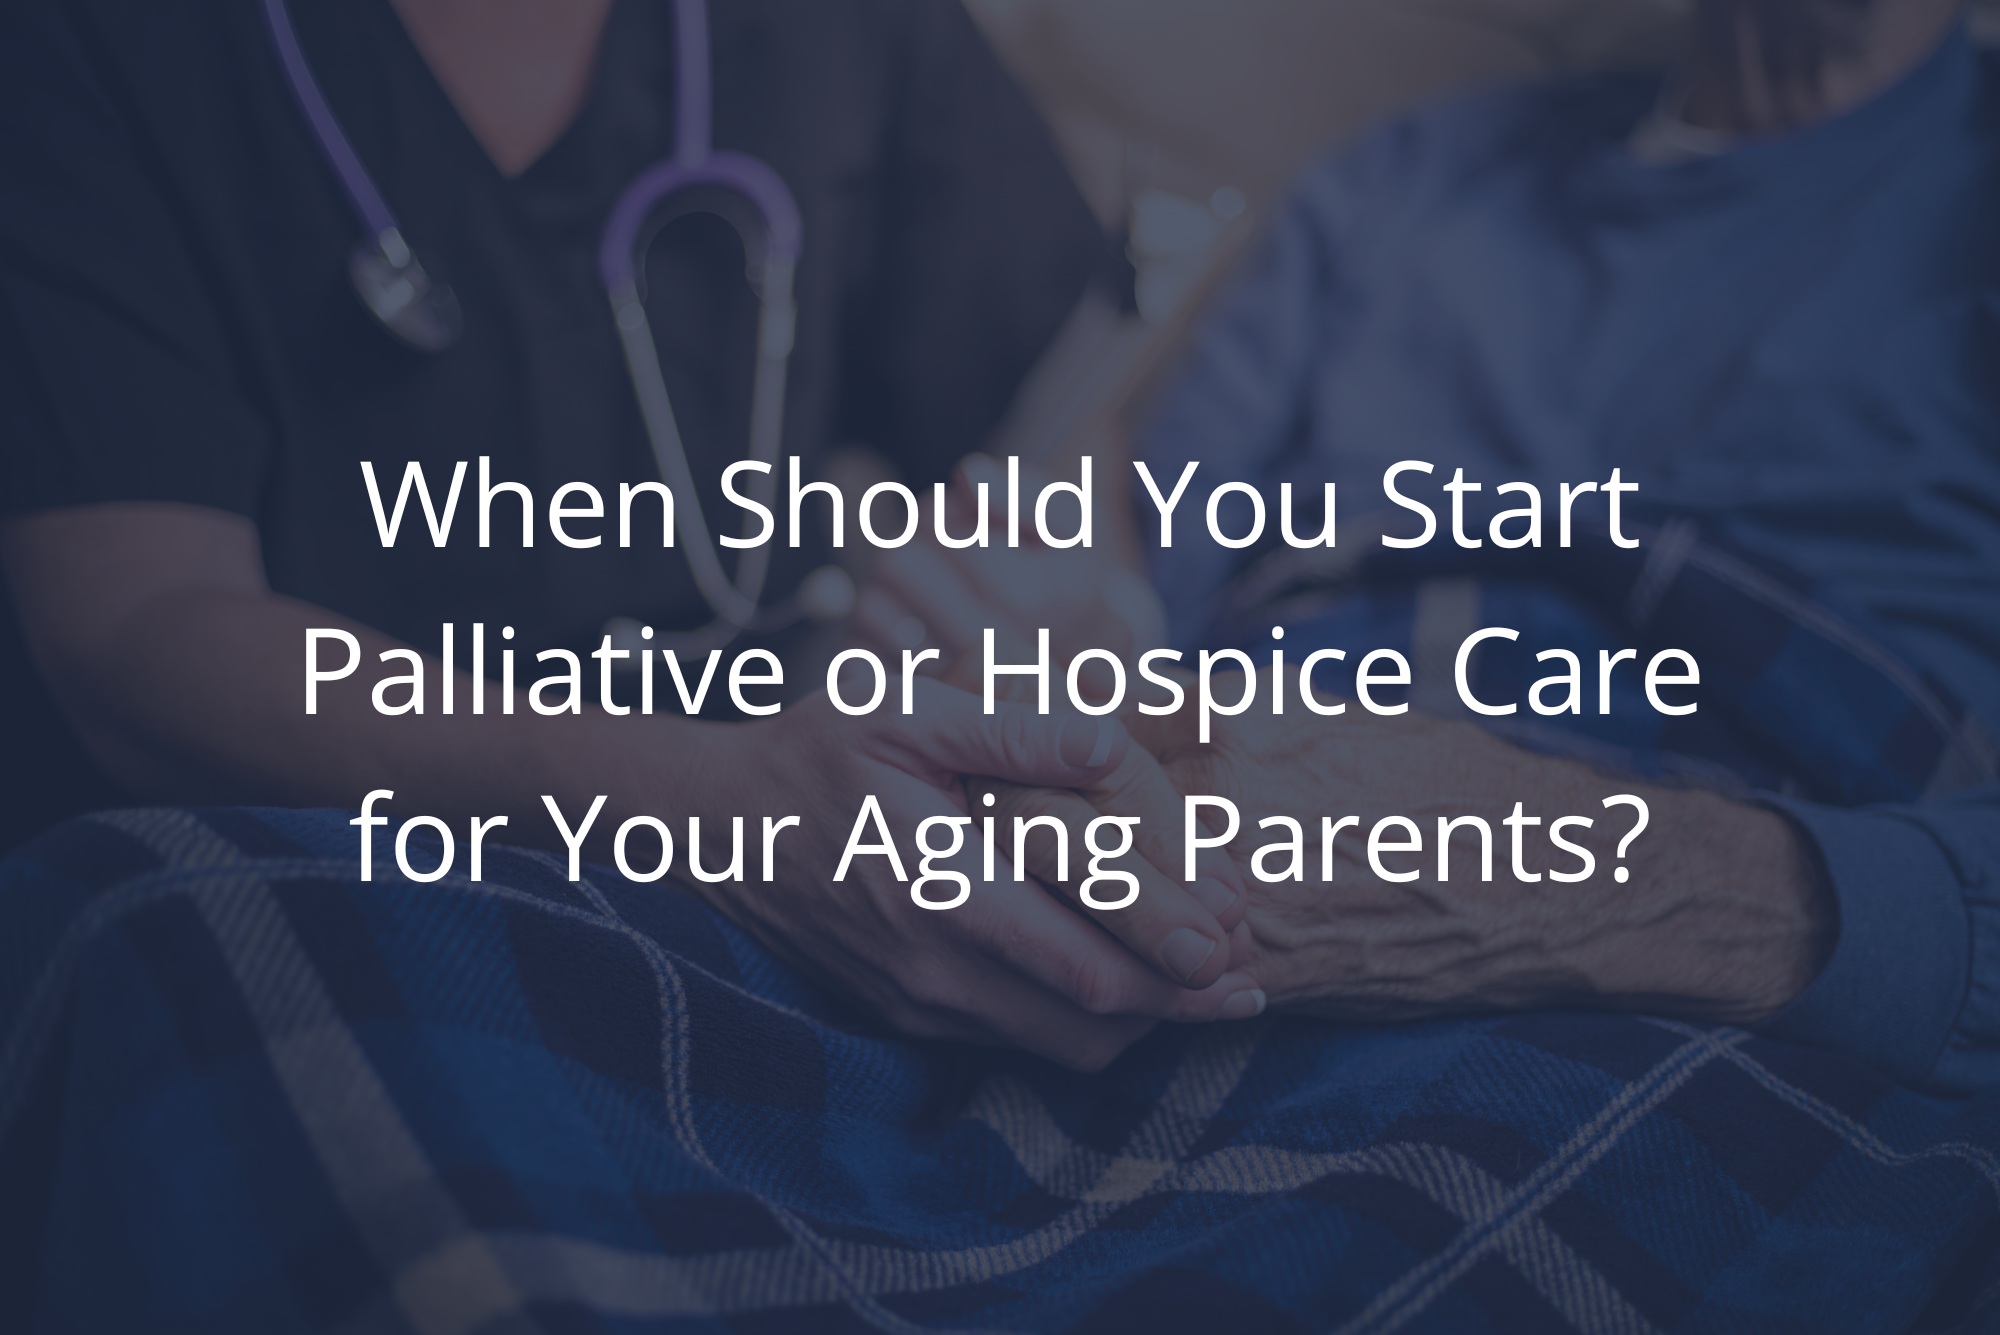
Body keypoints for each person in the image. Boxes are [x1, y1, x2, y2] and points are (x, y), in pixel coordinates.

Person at [0, 0, 1268, 1069]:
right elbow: (132, 628)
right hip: (332, 871)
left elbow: (1050, 424)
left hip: (821, 859)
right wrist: (713, 810)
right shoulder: (87, 48)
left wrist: (1074, 601)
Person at [870, 0, 2000, 1093]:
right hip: (1253, 834)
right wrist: (1081, 632)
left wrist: (1579, 884)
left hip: (1749, 933)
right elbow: (1155, 582)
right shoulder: (1406, 174)